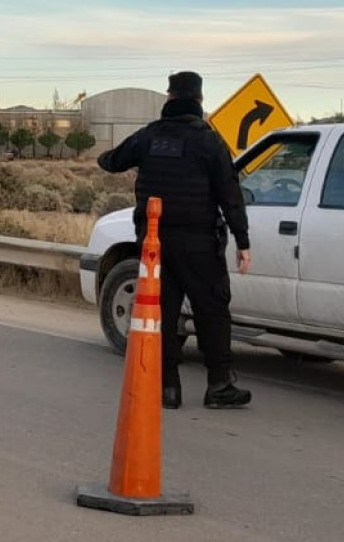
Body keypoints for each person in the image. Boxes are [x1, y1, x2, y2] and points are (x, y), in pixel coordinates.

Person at [96, 71, 253, 410]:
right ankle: (219, 386)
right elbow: (230, 194)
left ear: (169, 98)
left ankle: (167, 388)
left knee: (163, 314)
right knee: (212, 312)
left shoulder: (149, 137)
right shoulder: (209, 141)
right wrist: (243, 241)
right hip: (200, 243)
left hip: (156, 245)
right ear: (199, 100)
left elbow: (110, 161)